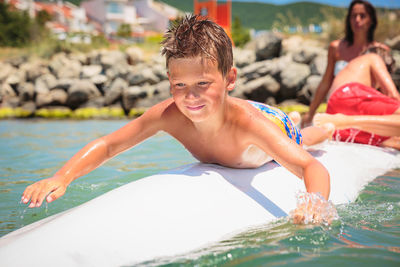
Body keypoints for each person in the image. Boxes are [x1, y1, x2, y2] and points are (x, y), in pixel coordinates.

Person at [21, 15, 334, 223]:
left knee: (304, 139)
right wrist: (62, 177)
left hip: (271, 122)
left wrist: (313, 203)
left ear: (229, 78)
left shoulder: (248, 125)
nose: (190, 97)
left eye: (202, 84)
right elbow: (109, 145)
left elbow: (310, 166)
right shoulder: (170, 115)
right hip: (239, 109)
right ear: (169, 81)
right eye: (179, 86)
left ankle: (330, 125)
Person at [303, 0, 390, 126]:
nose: (357, 20)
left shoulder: (380, 51)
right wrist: (311, 112)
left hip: (364, 112)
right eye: (353, 16)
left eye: (362, 16)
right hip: (336, 110)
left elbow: (384, 90)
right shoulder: (336, 48)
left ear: (371, 20)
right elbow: (326, 82)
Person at [312, 52, 400, 149]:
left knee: (387, 137)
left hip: (335, 107)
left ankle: (332, 128)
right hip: (350, 95)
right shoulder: (373, 57)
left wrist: (310, 114)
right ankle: (345, 121)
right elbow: (392, 94)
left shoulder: (351, 69)